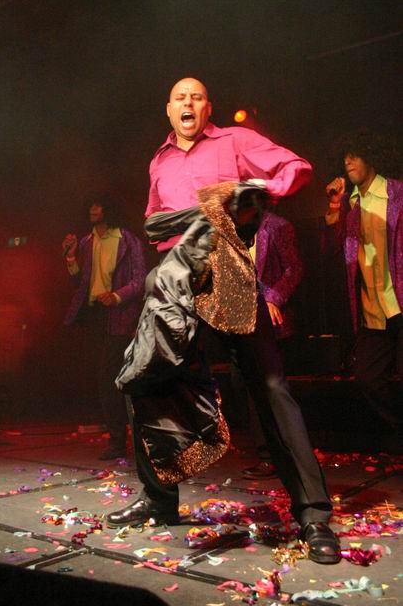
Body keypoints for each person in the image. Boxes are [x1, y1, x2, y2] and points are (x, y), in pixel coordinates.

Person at [107, 77, 340, 565]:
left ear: (208, 107)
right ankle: (158, 499)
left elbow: (296, 167)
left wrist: (258, 193)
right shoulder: (159, 160)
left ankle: (314, 515)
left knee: (270, 388)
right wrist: (183, 221)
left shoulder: (234, 140)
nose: (188, 103)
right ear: (168, 109)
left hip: (228, 272)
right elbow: (153, 220)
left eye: (196, 97)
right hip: (175, 282)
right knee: (146, 380)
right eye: (180, 97)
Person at [324, 131, 402, 448]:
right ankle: (398, 431)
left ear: (370, 156)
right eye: (345, 157)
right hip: (372, 309)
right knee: (367, 377)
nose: (348, 162)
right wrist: (335, 205)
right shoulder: (349, 204)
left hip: (399, 302)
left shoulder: (397, 194)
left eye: (354, 155)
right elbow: (334, 252)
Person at [63, 195, 146, 460]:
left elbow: (140, 280)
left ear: (110, 209)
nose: (93, 209)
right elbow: (78, 282)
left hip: (120, 314)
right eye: (91, 205)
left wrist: (117, 296)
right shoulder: (87, 242)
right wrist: (71, 257)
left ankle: (126, 440)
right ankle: (118, 440)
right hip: (94, 315)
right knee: (105, 379)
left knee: (115, 377)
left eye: (98, 205)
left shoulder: (127, 240)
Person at [240, 210, 304, 479]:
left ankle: (279, 455)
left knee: (273, 386)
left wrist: (272, 298)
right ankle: (268, 454)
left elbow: (294, 268)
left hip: (271, 321)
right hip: (242, 320)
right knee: (250, 386)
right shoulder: (230, 229)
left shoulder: (277, 225)